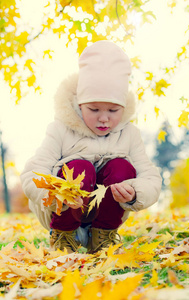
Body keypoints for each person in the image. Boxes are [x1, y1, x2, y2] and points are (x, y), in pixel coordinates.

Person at [21, 40, 162, 253]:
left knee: (120, 166)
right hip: (65, 211)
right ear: (80, 104)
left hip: (106, 212)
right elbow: (33, 173)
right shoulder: (60, 129)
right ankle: (64, 236)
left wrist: (134, 193)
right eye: (94, 109)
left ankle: (103, 236)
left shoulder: (129, 134)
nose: (103, 119)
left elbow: (151, 177)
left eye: (113, 111)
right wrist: (56, 193)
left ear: (123, 108)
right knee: (79, 167)